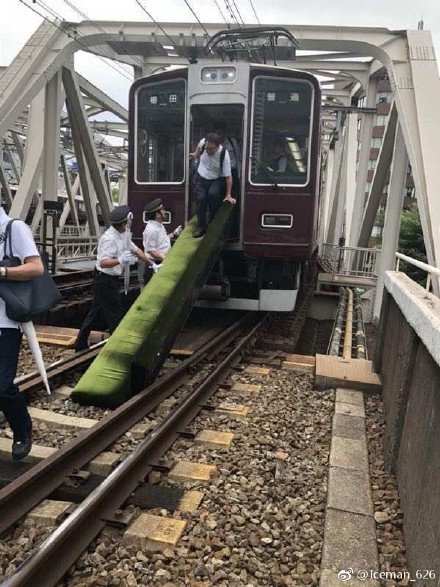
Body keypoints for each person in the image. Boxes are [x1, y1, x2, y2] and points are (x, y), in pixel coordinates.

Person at [74, 205, 158, 352]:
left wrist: (152, 264)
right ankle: (118, 347)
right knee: (115, 313)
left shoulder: (125, 234)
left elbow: (136, 250)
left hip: (110, 279)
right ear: (124, 223)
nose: (131, 221)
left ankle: (80, 344)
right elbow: (103, 262)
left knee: (95, 312)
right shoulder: (109, 239)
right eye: (129, 220)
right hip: (104, 279)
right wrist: (120, 260)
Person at [0, 204, 44, 460]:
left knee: (3, 386)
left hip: (6, 321)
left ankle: (22, 429)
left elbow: (36, 268)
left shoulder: (13, 228)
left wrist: (3, 271)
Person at [189, 132, 236, 238]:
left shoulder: (224, 154)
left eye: (211, 149)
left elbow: (228, 177)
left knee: (213, 194)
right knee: (201, 199)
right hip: (201, 176)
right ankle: (201, 226)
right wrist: (195, 154)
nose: (208, 151)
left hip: (216, 178)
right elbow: (199, 149)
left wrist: (228, 194)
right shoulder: (203, 143)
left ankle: (212, 218)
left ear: (217, 146)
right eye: (207, 148)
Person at [142, 198, 182, 285]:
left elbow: (162, 240)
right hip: (154, 264)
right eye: (162, 209)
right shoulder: (151, 229)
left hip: (160, 261)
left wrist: (174, 233)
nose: (164, 211)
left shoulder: (159, 225)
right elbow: (151, 250)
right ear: (157, 214)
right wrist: (165, 258)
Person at [212, 120, 241, 197]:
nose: (218, 136)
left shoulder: (232, 142)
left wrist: (239, 175)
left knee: (233, 196)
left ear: (225, 133)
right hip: (218, 174)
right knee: (218, 195)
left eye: (220, 133)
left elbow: (238, 158)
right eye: (216, 134)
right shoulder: (212, 144)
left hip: (232, 172)